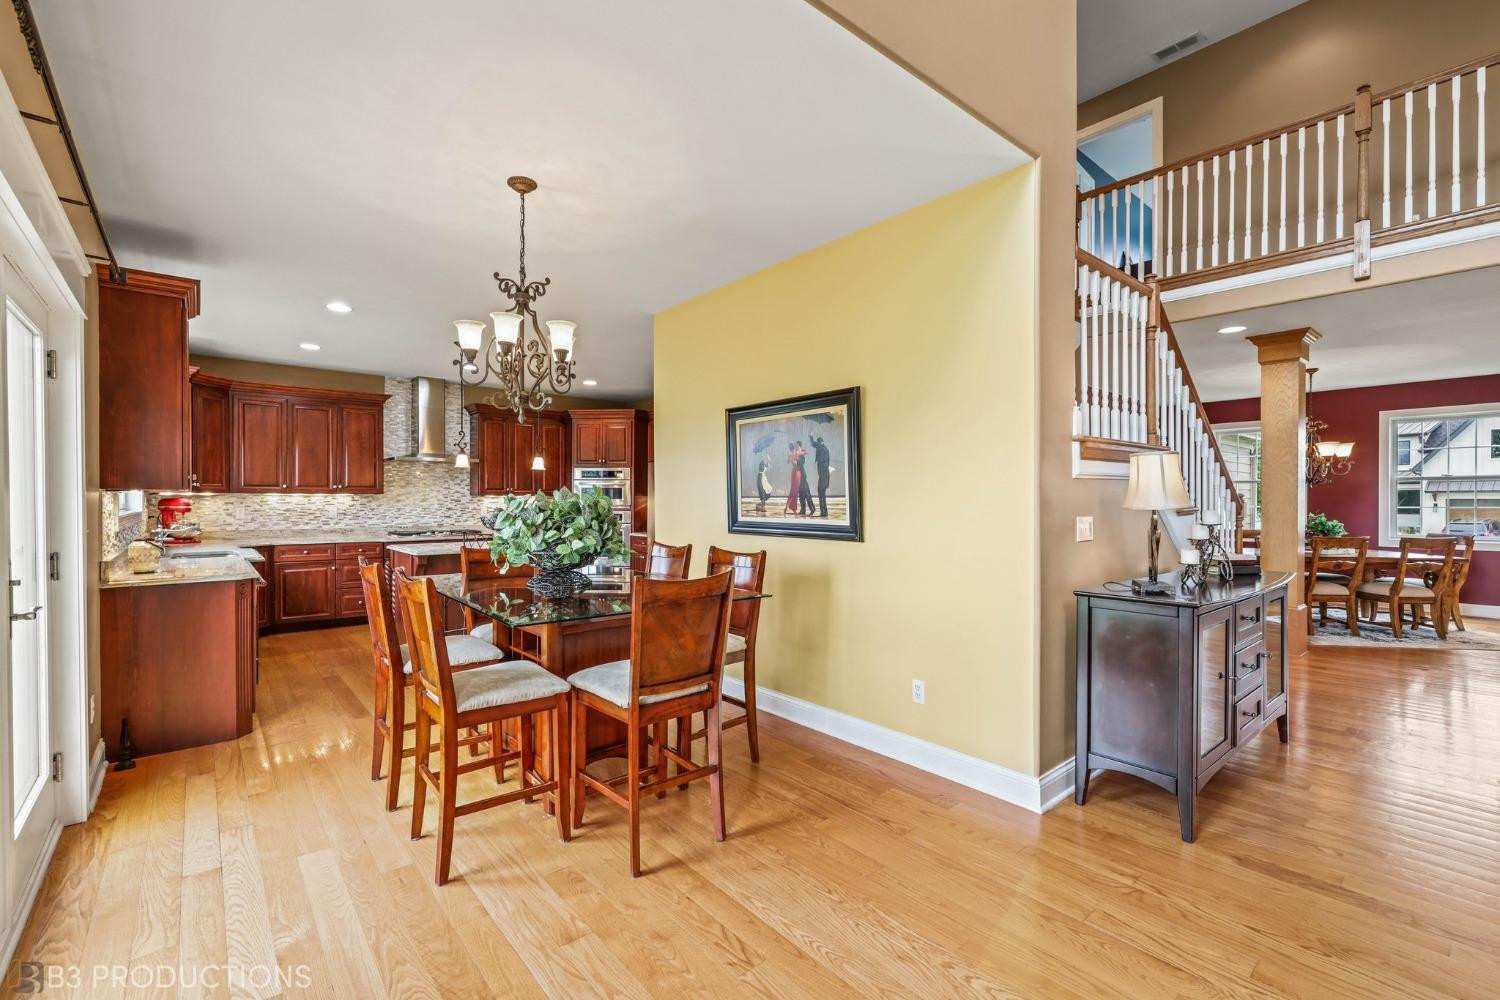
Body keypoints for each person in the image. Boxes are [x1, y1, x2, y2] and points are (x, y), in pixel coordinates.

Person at [811, 434, 832, 518]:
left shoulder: (821, 447)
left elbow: (813, 444)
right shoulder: (825, 449)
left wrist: (811, 436)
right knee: (822, 493)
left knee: (820, 492)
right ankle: (824, 511)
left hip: (823, 475)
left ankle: (823, 511)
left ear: (820, 442)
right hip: (825, 475)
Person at [794, 442, 814, 515]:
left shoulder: (801, 454)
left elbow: (801, 463)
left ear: (799, 445)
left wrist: (798, 456)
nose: (795, 446)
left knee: (806, 493)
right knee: (801, 493)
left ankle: (812, 509)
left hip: (802, 474)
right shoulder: (797, 454)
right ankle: (803, 510)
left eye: (796, 445)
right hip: (799, 475)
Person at [784, 442, 803, 515]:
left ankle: (788, 508)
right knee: (794, 491)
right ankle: (791, 509)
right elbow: (798, 462)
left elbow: (787, 462)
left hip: (794, 472)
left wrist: (791, 459)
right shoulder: (796, 453)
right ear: (793, 447)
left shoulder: (790, 454)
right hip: (797, 472)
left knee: (793, 491)